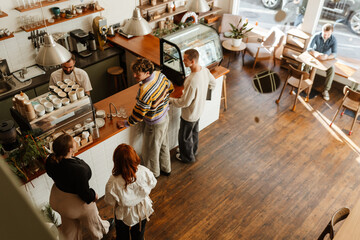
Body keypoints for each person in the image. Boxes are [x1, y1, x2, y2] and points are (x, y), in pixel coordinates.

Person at [45, 133, 110, 240]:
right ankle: (101, 231)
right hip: (74, 204)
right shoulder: (78, 170)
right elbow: (85, 194)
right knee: (93, 218)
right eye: (74, 141)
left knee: (69, 229)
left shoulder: (50, 160)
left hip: (57, 198)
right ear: (70, 149)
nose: (76, 141)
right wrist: (93, 195)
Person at [117, 58, 174, 177]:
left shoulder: (145, 90)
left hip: (154, 125)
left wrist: (126, 123)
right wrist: (161, 102)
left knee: (150, 152)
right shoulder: (159, 74)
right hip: (165, 116)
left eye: (138, 73)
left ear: (147, 73)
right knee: (163, 145)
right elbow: (170, 88)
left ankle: (154, 175)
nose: (134, 75)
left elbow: (139, 114)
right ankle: (166, 168)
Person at [169, 49, 216, 163]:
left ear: (192, 61)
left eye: (185, 60)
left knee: (184, 137)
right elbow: (213, 83)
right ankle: (193, 151)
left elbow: (184, 103)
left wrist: (170, 100)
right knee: (194, 133)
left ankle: (187, 158)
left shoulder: (192, 80)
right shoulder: (204, 70)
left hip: (189, 115)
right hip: (198, 110)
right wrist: (202, 97)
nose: (183, 61)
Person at [104, 144, 157, 240]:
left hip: (123, 213)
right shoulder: (143, 171)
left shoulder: (113, 181)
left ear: (116, 161)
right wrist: (138, 196)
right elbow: (153, 183)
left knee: (122, 236)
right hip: (142, 210)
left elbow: (109, 200)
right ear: (134, 156)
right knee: (139, 235)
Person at [307, 23, 337, 101]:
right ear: (322, 31)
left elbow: (334, 53)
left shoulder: (333, 39)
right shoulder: (316, 36)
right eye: (324, 34)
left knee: (332, 69)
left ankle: (326, 90)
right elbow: (309, 48)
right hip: (315, 56)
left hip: (325, 58)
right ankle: (304, 83)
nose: (326, 36)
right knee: (305, 64)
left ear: (331, 32)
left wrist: (327, 57)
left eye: (328, 34)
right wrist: (315, 53)